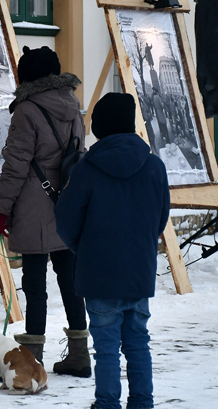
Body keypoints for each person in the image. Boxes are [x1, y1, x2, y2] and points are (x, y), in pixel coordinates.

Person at [55, 92, 170, 409]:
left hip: (100, 273)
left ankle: (106, 404)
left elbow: (65, 221)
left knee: (106, 347)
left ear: (100, 127)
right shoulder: (154, 167)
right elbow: (160, 218)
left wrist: (87, 249)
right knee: (137, 342)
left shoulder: (86, 170)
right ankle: (142, 403)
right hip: (138, 272)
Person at [0, 45, 90, 378]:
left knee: (34, 284)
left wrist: (0, 211)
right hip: (67, 203)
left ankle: (31, 362)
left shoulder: (27, 111)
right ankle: (79, 356)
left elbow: (16, 166)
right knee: (71, 280)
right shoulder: (73, 106)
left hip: (34, 206)